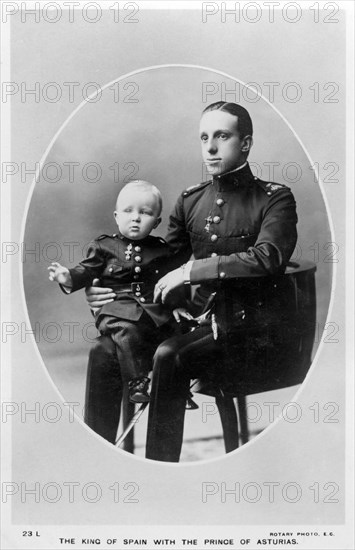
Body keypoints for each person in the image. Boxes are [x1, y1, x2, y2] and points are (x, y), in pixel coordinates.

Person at [85, 101, 298, 459]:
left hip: (250, 331)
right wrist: (104, 286)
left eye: (222, 136)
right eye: (204, 138)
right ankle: (96, 460)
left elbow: (269, 258)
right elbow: (157, 266)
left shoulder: (275, 199)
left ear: (244, 143)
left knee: (169, 355)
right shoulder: (191, 200)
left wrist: (191, 272)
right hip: (195, 322)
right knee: (104, 351)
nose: (211, 147)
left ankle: (159, 464)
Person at [48, 180, 191, 404]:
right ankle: (138, 383)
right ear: (116, 216)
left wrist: (178, 305)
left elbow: (170, 280)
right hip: (116, 309)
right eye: (128, 211)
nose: (135, 217)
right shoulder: (104, 247)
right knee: (126, 332)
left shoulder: (161, 249)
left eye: (145, 213)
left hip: (151, 310)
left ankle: (179, 391)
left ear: (156, 222)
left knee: (175, 333)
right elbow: (86, 270)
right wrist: (67, 277)